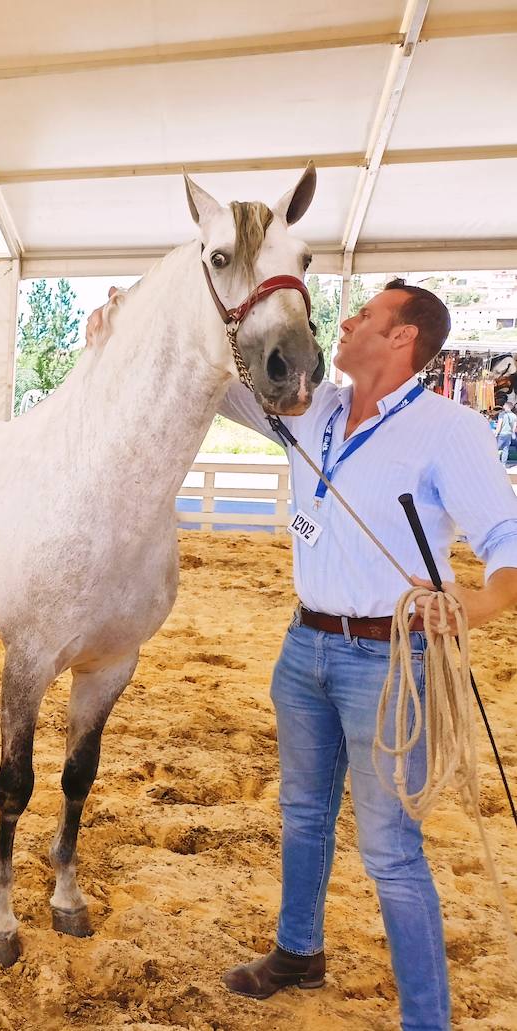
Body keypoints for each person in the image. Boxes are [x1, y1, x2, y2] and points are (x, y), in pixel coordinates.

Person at [214, 279, 517, 1030]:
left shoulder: (448, 429)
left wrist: (470, 604)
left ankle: (426, 1018)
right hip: (303, 645)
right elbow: (219, 384)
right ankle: (298, 950)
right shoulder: (308, 407)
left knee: (390, 851)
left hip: (394, 662)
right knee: (302, 815)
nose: (343, 321)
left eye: (364, 315)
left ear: (402, 338)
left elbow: (508, 549)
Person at [496, 400, 515, 465]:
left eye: (504, 405)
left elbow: (499, 425)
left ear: (506, 406)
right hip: (509, 434)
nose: (503, 406)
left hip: (502, 434)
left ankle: (495, 462)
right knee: (505, 449)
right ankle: (503, 464)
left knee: (495, 448)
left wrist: (496, 433)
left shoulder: (502, 414)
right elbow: (514, 427)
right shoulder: (514, 416)